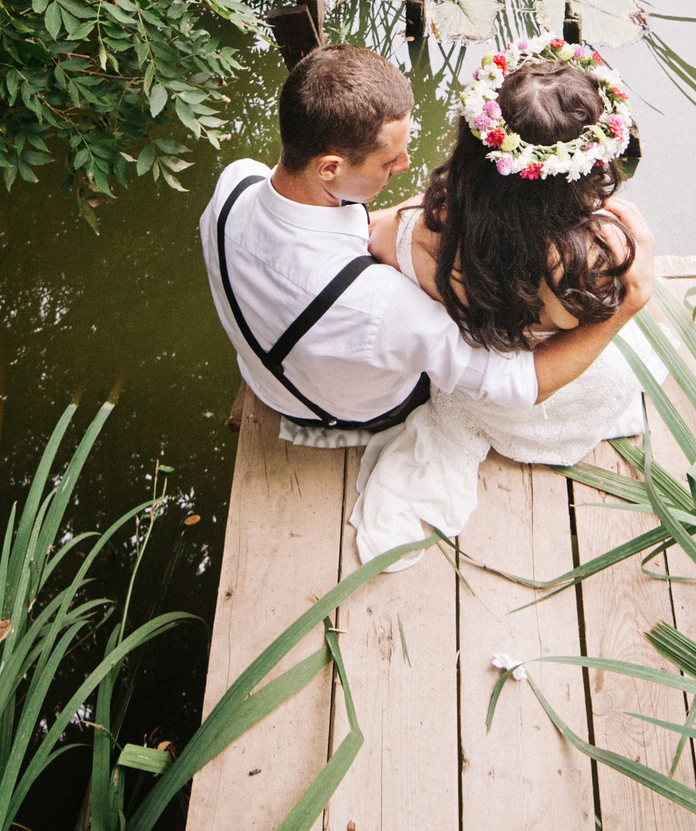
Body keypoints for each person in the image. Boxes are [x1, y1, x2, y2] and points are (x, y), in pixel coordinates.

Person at [201, 43, 655, 451]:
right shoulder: (379, 304)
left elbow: (368, 232)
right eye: (388, 160)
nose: (404, 165)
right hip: (341, 409)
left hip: (265, 376)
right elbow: (515, 385)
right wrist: (629, 306)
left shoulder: (235, 182)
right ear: (329, 168)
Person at [345, 36, 665, 564]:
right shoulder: (599, 256)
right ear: (582, 175)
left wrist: (422, 211)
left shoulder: (422, 237)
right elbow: (613, 309)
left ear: (473, 153)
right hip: (566, 390)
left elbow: (373, 236)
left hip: (485, 392)